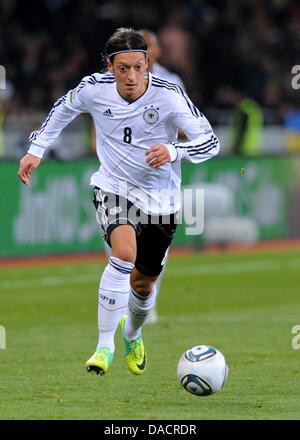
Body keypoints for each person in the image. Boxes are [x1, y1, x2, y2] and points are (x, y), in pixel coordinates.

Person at [18, 28, 220, 377]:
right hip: (114, 187)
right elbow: (62, 110)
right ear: (110, 67)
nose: (131, 76)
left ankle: (133, 333)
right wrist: (36, 149)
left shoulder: (169, 95)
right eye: (123, 68)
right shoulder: (93, 89)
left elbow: (211, 142)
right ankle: (103, 346)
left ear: (147, 65)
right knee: (123, 255)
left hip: (161, 199)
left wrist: (174, 150)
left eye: (138, 67)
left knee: (143, 286)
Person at [102, 29, 187, 325]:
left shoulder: (171, 85)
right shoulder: (113, 82)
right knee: (121, 246)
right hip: (120, 179)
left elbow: (189, 128)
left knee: (152, 255)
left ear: (153, 55)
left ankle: (146, 307)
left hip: (159, 181)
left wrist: (169, 147)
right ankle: (120, 311)